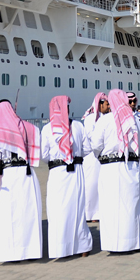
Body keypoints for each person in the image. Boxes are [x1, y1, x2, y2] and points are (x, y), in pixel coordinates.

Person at [90, 90, 140, 253]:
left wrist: (100, 156)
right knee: (131, 205)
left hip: (110, 169)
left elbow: (95, 145)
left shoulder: (105, 120)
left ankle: (115, 244)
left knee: (111, 205)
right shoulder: (134, 120)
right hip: (131, 167)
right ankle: (134, 243)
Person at [0, 99, 42, 262]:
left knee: (8, 216)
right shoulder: (31, 128)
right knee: (27, 213)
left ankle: (10, 253)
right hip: (27, 174)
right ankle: (30, 251)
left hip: (7, 177)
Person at [41, 95, 92, 259]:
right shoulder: (78, 125)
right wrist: (74, 156)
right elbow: (88, 149)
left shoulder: (47, 129)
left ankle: (61, 249)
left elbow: (43, 155)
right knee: (76, 209)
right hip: (76, 171)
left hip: (57, 173)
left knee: (58, 210)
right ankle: (82, 246)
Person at [80, 93, 106, 223]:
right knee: (91, 184)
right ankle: (88, 213)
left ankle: (96, 212)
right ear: (100, 104)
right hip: (92, 155)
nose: (108, 107)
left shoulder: (102, 117)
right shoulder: (91, 118)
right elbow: (90, 136)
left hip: (100, 155)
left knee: (98, 184)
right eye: (106, 104)